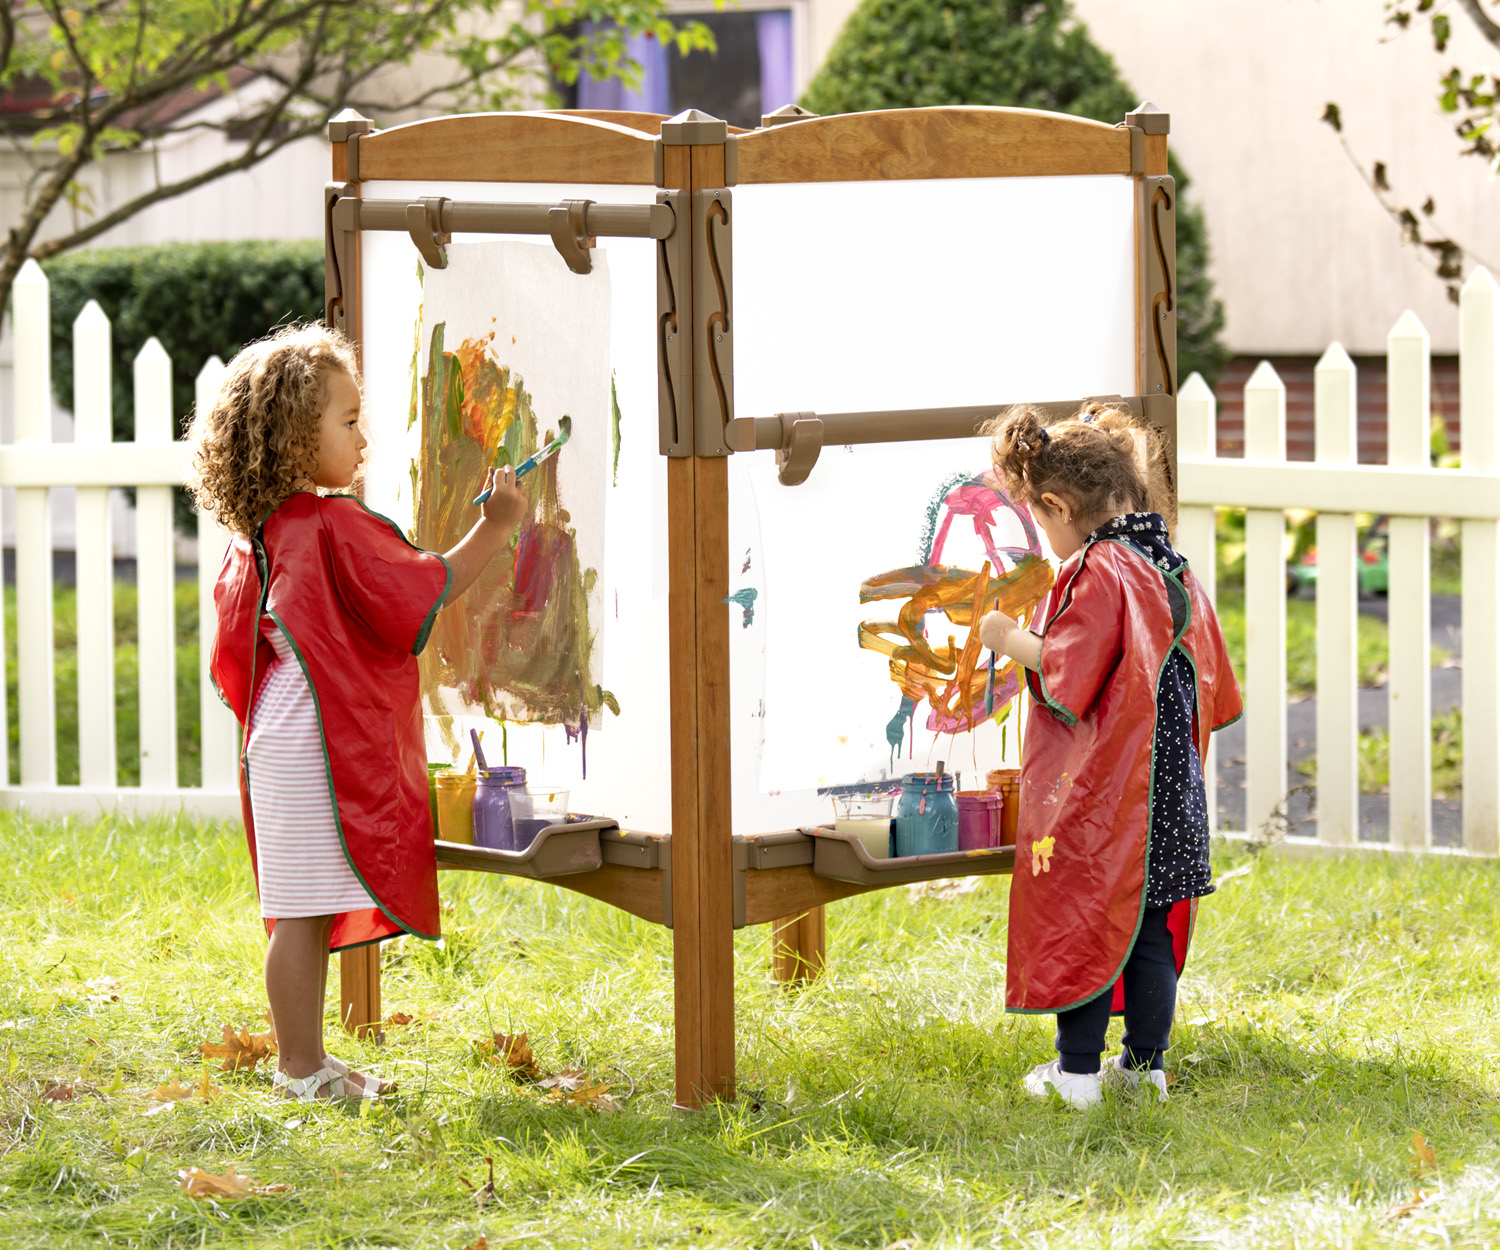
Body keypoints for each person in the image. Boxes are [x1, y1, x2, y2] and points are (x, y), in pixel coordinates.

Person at [190, 325, 528, 1101]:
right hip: (317, 743)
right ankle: (298, 1069)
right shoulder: (326, 523)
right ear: (293, 439)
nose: (364, 437)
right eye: (347, 421)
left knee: (299, 910)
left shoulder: (259, 532)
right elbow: (421, 588)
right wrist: (497, 525)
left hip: (279, 738)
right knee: (300, 913)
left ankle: (307, 1061)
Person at [978, 404, 1241, 1108]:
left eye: (1043, 523)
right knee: (1150, 931)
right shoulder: (1172, 564)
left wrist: (1006, 636)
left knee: (1086, 920)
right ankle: (1145, 1070)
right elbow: (1212, 679)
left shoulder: (1103, 567)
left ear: (1060, 506)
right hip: (1172, 794)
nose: (1050, 541)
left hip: (1110, 798)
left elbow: (1071, 669)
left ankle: (1076, 1076)